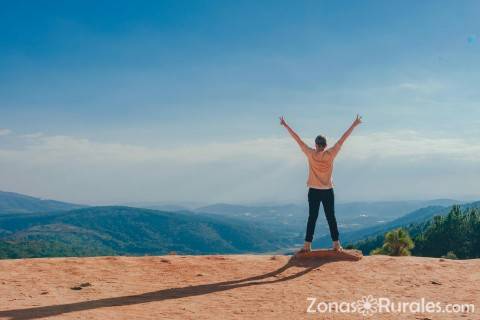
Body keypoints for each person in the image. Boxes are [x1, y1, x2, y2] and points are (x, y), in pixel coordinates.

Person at [280, 115, 362, 253]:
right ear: (325, 145)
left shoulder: (310, 153)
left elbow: (297, 139)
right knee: (331, 217)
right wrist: (354, 124)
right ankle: (336, 244)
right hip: (327, 190)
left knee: (312, 217)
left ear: (316, 144)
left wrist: (286, 125)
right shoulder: (331, 154)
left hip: (313, 190)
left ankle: (307, 245)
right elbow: (343, 138)